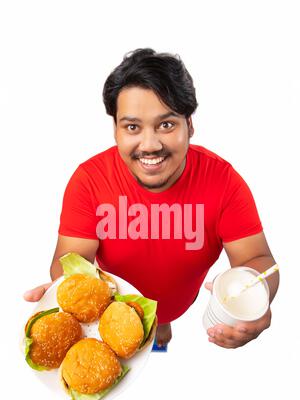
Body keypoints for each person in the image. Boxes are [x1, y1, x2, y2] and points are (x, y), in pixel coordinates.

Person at [23, 48, 279, 349]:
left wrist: (258, 298)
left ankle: (163, 324)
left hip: (182, 302)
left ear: (190, 125)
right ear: (116, 130)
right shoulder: (89, 181)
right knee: (137, 336)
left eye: (166, 125)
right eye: (132, 127)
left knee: (162, 322)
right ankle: (153, 328)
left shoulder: (225, 182)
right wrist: (66, 295)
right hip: (114, 310)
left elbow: (258, 260)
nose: (150, 145)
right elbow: (70, 261)